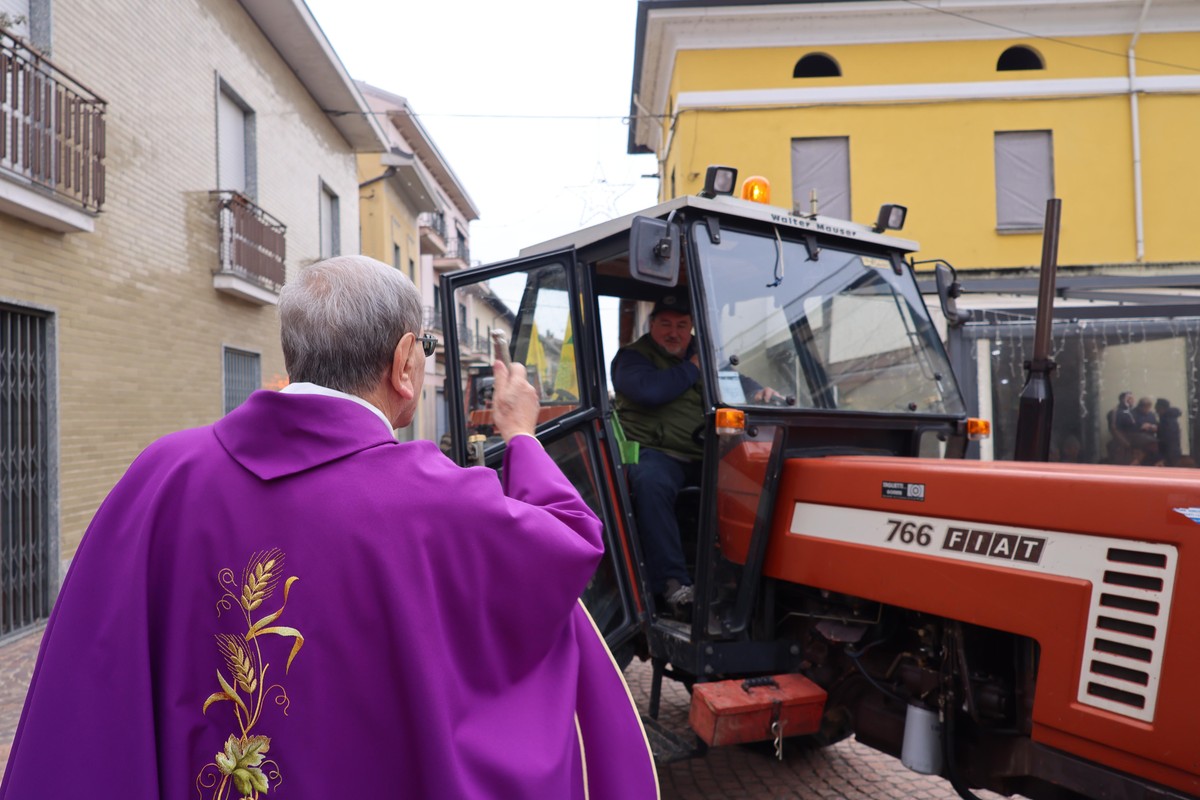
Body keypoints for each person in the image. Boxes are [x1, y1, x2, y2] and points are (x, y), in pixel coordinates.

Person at [0, 256, 657, 799]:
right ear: (404, 362)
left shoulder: (162, 475)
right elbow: (570, 541)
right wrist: (520, 435)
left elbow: (90, 689)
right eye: (425, 348)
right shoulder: (445, 502)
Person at [611, 293, 776, 615]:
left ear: (691, 328)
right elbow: (651, 391)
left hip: (706, 453)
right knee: (650, 483)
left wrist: (759, 391)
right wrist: (693, 368)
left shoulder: (705, 355)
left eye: (682, 325)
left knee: (757, 481)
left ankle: (741, 576)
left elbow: (735, 380)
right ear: (652, 325)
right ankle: (673, 585)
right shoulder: (632, 358)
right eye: (666, 324)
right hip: (658, 453)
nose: (674, 332)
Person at [1155, 398, 1183, 467]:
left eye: (1157, 409)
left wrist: (1164, 458)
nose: (1156, 411)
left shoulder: (1166, 421)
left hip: (1168, 453)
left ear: (1161, 408)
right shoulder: (1170, 419)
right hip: (1172, 452)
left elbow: (1169, 439)